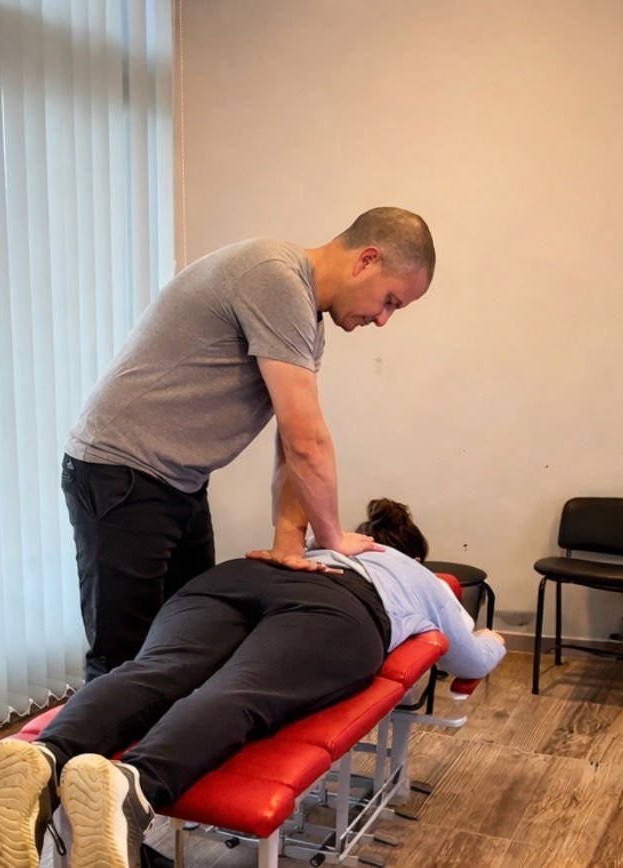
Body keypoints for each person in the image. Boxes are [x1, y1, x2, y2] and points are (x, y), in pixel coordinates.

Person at [0, 499, 506, 868]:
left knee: (154, 670)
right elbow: (471, 659)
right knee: (238, 692)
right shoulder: (420, 577)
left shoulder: (319, 542)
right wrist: (495, 639)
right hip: (337, 609)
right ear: (414, 555)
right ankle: (132, 786)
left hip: (233, 578)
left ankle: (46, 757)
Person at [62, 207, 436, 680]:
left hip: (178, 483)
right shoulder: (274, 277)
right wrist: (333, 538)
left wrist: (289, 541)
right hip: (119, 473)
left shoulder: (305, 315)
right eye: (390, 301)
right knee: (124, 658)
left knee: (192, 638)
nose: (383, 319)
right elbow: (307, 442)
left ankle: (166, 730)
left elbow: (291, 438)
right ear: (366, 260)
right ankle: (91, 730)